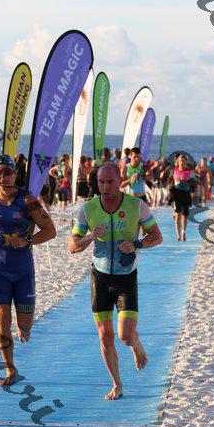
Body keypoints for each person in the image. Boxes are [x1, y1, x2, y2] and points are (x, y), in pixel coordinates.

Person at [69, 162, 163, 400]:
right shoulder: (88, 209)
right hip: (99, 278)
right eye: (101, 182)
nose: (105, 187)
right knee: (105, 336)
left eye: (110, 182)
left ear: (120, 181)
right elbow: (73, 246)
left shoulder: (136, 206)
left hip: (126, 279)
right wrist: (91, 236)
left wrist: (137, 244)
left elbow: (157, 236)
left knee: (125, 336)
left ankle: (135, 343)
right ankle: (117, 384)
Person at [0, 154, 56, 386]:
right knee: (1, 320)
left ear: (15, 174)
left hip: (24, 271)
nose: (4, 177)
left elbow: (50, 230)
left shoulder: (28, 201)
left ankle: (22, 325)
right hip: (0, 271)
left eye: (8, 173)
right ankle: (10, 369)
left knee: (25, 327)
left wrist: (28, 241)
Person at [170, 155, 193, 241]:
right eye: (180, 160)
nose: (182, 162)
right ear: (178, 162)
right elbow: (170, 181)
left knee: (185, 215)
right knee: (177, 215)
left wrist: (188, 181)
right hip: (176, 195)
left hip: (186, 194)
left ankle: (183, 232)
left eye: (183, 161)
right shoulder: (174, 170)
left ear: (186, 162)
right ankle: (178, 235)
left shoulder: (189, 172)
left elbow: (195, 182)